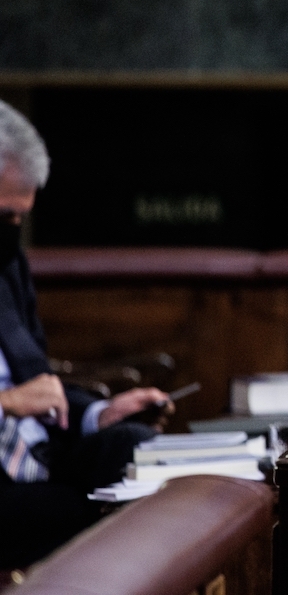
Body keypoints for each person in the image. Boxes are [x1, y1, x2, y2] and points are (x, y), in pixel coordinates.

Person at [0, 99, 175, 570]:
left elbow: (40, 383)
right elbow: (22, 397)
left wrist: (99, 413)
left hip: (38, 457)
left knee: (134, 445)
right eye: (3, 216)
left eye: (20, 218)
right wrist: (7, 403)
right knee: (105, 516)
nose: (12, 231)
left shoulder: (6, 264)